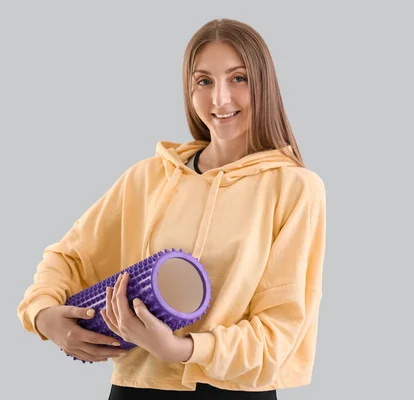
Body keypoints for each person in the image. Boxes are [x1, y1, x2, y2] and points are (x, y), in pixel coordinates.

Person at [16, 18, 326, 400]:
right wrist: (43, 316)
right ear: (189, 90)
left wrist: (183, 351)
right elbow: (67, 258)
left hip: (235, 393)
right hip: (136, 389)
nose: (220, 99)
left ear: (264, 84)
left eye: (238, 78)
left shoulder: (295, 188)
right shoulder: (148, 178)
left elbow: (281, 329)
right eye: (204, 81)